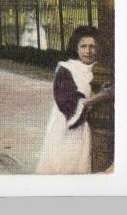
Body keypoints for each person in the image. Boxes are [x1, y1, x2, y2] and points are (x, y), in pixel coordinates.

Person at [35, 26, 113, 174]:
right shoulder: (66, 70)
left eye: (92, 47)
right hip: (68, 127)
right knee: (66, 166)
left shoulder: (100, 69)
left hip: (91, 129)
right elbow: (67, 105)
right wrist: (99, 97)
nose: (88, 51)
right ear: (76, 48)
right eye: (83, 46)